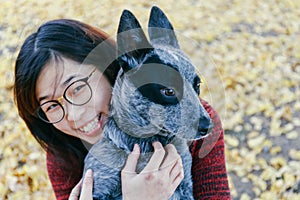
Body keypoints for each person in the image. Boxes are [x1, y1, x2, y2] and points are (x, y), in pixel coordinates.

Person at [14, 19, 231, 200]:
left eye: (78, 88)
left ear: (107, 66)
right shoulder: (63, 152)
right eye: (51, 105)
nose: (73, 115)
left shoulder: (199, 124)